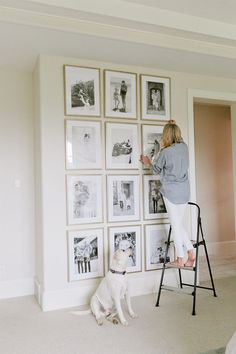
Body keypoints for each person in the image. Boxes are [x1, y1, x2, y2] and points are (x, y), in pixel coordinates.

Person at [140, 120, 195, 267]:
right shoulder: (184, 147)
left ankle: (180, 258)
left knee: (175, 225)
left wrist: (147, 162)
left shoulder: (165, 152)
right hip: (184, 192)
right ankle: (191, 251)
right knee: (178, 223)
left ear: (166, 135)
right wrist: (173, 126)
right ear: (178, 134)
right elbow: (178, 139)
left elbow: (155, 170)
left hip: (171, 192)